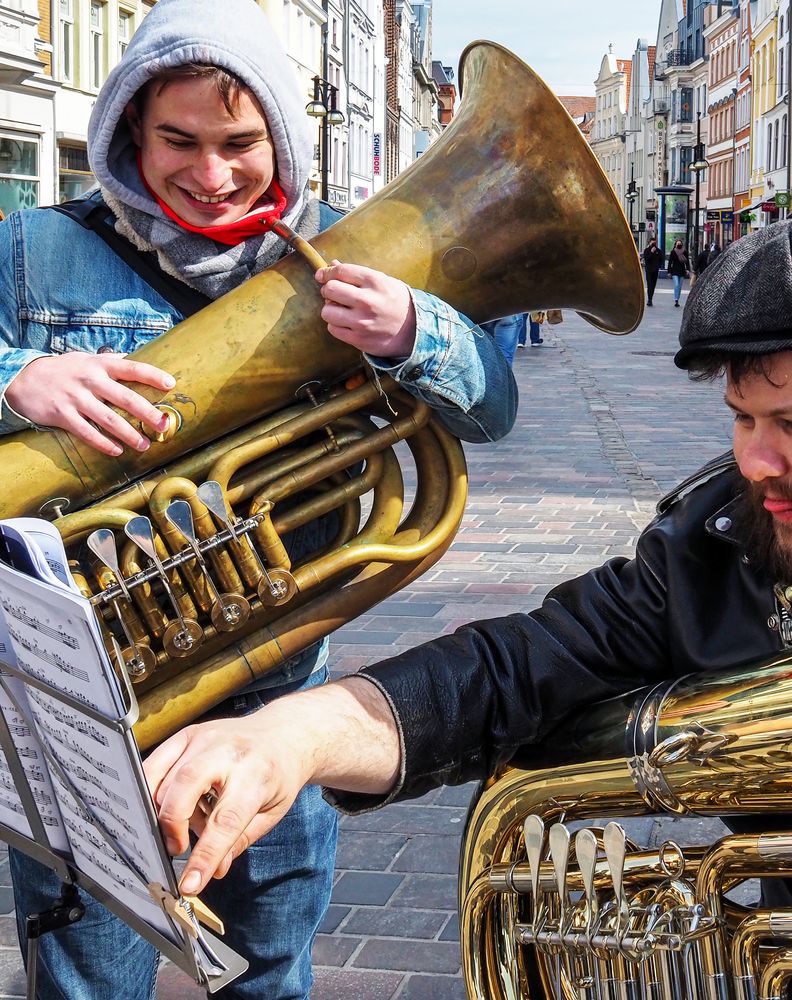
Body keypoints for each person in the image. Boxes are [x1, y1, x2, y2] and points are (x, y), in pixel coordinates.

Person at [146, 192, 792, 995]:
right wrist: (294, 734)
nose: (754, 463)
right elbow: (514, 669)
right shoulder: (717, 544)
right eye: (742, 419)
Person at [0, 1, 518, 997]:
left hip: (276, 701)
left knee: (268, 974)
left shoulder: (350, 247)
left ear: (276, 132)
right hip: (83, 710)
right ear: (126, 132)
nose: (210, 173)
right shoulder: (31, 246)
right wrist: (17, 376)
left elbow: (493, 408)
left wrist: (419, 331)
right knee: (84, 982)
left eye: (239, 143)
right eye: (176, 142)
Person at [665, 237, 690, 307]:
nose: (679, 245)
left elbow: (686, 261)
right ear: (675, 244)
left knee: (680, 286)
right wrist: (669, 272)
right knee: (676, 285)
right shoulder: (673, 252)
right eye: (677, 243)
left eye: (680, 243)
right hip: (675, 270)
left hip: (682, 270)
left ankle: (677, 299)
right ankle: (676, 299)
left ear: (682, 244)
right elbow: (670, 262)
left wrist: (688, 269)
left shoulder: (684, 251)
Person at [641, 235, 665, 306]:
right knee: (649, 284)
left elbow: (661, 259)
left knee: (653, 285)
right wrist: (651, 252)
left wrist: (659, 266)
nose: (653, 245)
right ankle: (649, 299)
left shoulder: (659, 251)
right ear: (649, 243)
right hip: (649, 270)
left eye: (654, 243)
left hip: (655, 270)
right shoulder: (647, 250)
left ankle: (650, 297)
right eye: (652, 243)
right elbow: (647, 259)